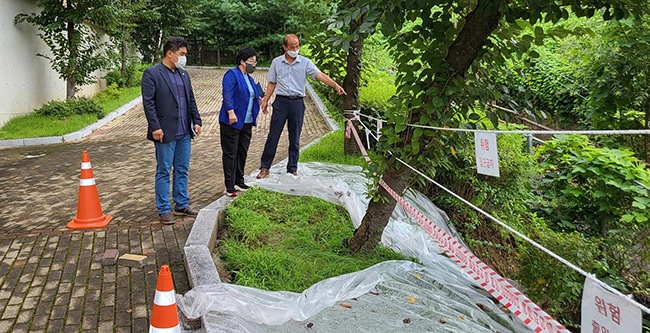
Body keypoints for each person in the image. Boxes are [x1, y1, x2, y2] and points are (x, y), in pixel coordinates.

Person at [256, 34, 346, 179]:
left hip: (297, 102)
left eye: (297, 46)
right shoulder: (276, 63)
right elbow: (272, 82)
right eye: (292, 47)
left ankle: (292, 168)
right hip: (281, 102)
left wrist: (335, 85)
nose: (295, 49)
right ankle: (265, 168)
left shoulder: (305, 62)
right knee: (273, 135)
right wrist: (266, 99)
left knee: (295, 136)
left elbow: (319, 75)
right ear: (285, 47)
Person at [142, 37, 202, 225]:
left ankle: (181, 203)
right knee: (164, 170)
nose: (184, 58)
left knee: (182, 169)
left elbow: (190, 99)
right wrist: (155, 126)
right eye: (182, 54)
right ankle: (164, 209)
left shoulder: (183, 74)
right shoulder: (152, 74)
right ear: (170, 53)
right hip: (165, 131)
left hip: (185, 131)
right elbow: (148, 103)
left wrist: (197, 120)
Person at [219, 47, 261, 197]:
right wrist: (230, 111)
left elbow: (253, 95)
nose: (253, 64)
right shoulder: (232, 75)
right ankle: (229, 185)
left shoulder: (249, 78)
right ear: (242, 61)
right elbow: (227, 93)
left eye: (255, 62)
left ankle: (239, 179)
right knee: (231, 153)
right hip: (232, 121)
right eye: (251, 61)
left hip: (246, 121)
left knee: (242, 151)